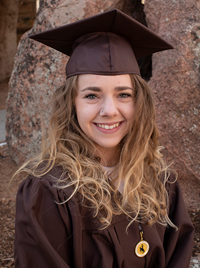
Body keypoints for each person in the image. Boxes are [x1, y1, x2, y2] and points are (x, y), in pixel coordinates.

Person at [14, 9, 194, 268]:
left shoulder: (162, 183)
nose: (109, 110)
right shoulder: (48, 193)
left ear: (139, 101)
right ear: (71, 104)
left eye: (123, 94)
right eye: (91, 95)